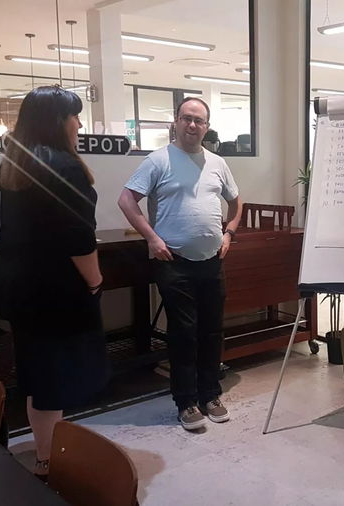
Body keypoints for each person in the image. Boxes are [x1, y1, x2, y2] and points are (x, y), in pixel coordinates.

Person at [0, 86, 109, 480]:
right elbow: (79, 239)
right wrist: (95, 281)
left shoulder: (15, 165)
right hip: (56, 291)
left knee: (37, 376)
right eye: (75, 116)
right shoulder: (66, 166)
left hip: (20, 288)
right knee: (55, 379)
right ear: (57, 121)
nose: (79, 124)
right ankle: (49, 461)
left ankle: (45, 453)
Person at [118, 97, 243, 431]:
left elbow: (236, 202)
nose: (192, 125)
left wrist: (229, 233)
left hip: (212, 261)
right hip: (175, 263)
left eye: (199, 120)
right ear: (175, 122)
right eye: (187, 118)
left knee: (212, 331)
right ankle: (186, 401)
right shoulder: (158, 160)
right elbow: (126, 200)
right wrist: (151, 238)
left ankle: (210, 394)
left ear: (207, 126)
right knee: (184, 333)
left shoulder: (217, 163)